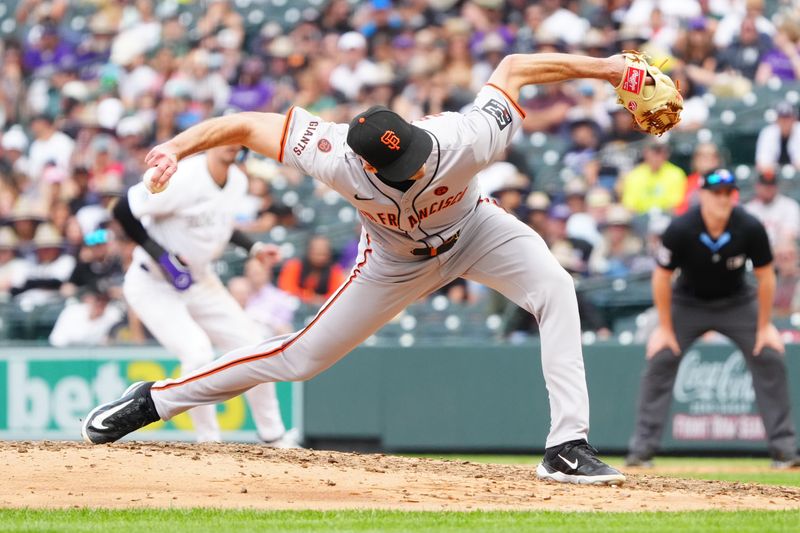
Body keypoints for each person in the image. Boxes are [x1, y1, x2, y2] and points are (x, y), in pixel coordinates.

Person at [81, 51, 637, 485]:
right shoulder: (334, 153)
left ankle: (567, 447)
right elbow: (247, 125)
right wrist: (177, 148)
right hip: (394, 262)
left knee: (557, 288)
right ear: (363, 160)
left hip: (477, 231)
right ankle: (154, 400)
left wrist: (607, 69)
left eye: (412, 152)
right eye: (398, 164)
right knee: (299, 357)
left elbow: (515, 69)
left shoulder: (465, 138)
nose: (413, 165)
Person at [107, 145, 298, 446]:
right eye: (225, 137)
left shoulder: (236, 180)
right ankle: (209, 443)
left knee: (253, 346)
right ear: (211, 141)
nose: (231, 144)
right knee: (197, 353)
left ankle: (273, 436)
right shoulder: (183, 176)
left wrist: (254, 248)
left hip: (199, 279)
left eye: (238, 139)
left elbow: (220, 223)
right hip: (152, 281)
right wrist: (162, 256)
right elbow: (121, 208)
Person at [626, 169, 799, 469]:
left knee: (769, 353)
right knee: (661, 356)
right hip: (688, 302)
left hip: (737, 301)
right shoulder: (681, 227)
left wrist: (764, 326)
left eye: (727, 193)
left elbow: (766, 277)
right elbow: (661, 278)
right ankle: (641, 451)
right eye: (715, 193)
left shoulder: (749, 226)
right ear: (702, 195)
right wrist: (664, 329)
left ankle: (784, 451)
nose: (722, 198)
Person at [744, 171, 800, 247]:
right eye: (765, 185)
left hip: (781, 252)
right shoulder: (748, 209)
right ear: (757, 186)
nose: (768, 188)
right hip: (756, 252)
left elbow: (789, 235)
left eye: (771, 185)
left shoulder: (790, 205)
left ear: (776, 187)